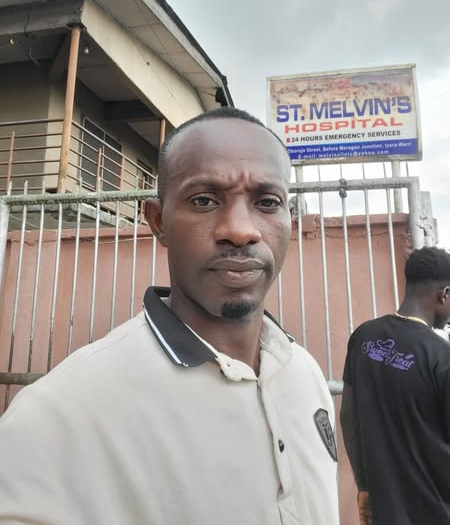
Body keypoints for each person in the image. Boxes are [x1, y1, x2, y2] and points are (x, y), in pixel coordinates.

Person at [0, 107, 339, 525]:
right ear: (158, 222)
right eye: (204, 200)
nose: (240, 230)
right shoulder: (59, 415)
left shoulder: (303, 374)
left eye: (267, 202)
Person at [340, 246, 450, 525]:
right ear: (444, 294)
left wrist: (364, 486)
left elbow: (348, 417)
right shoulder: (442, 356)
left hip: (384, 510)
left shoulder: (363, 337)